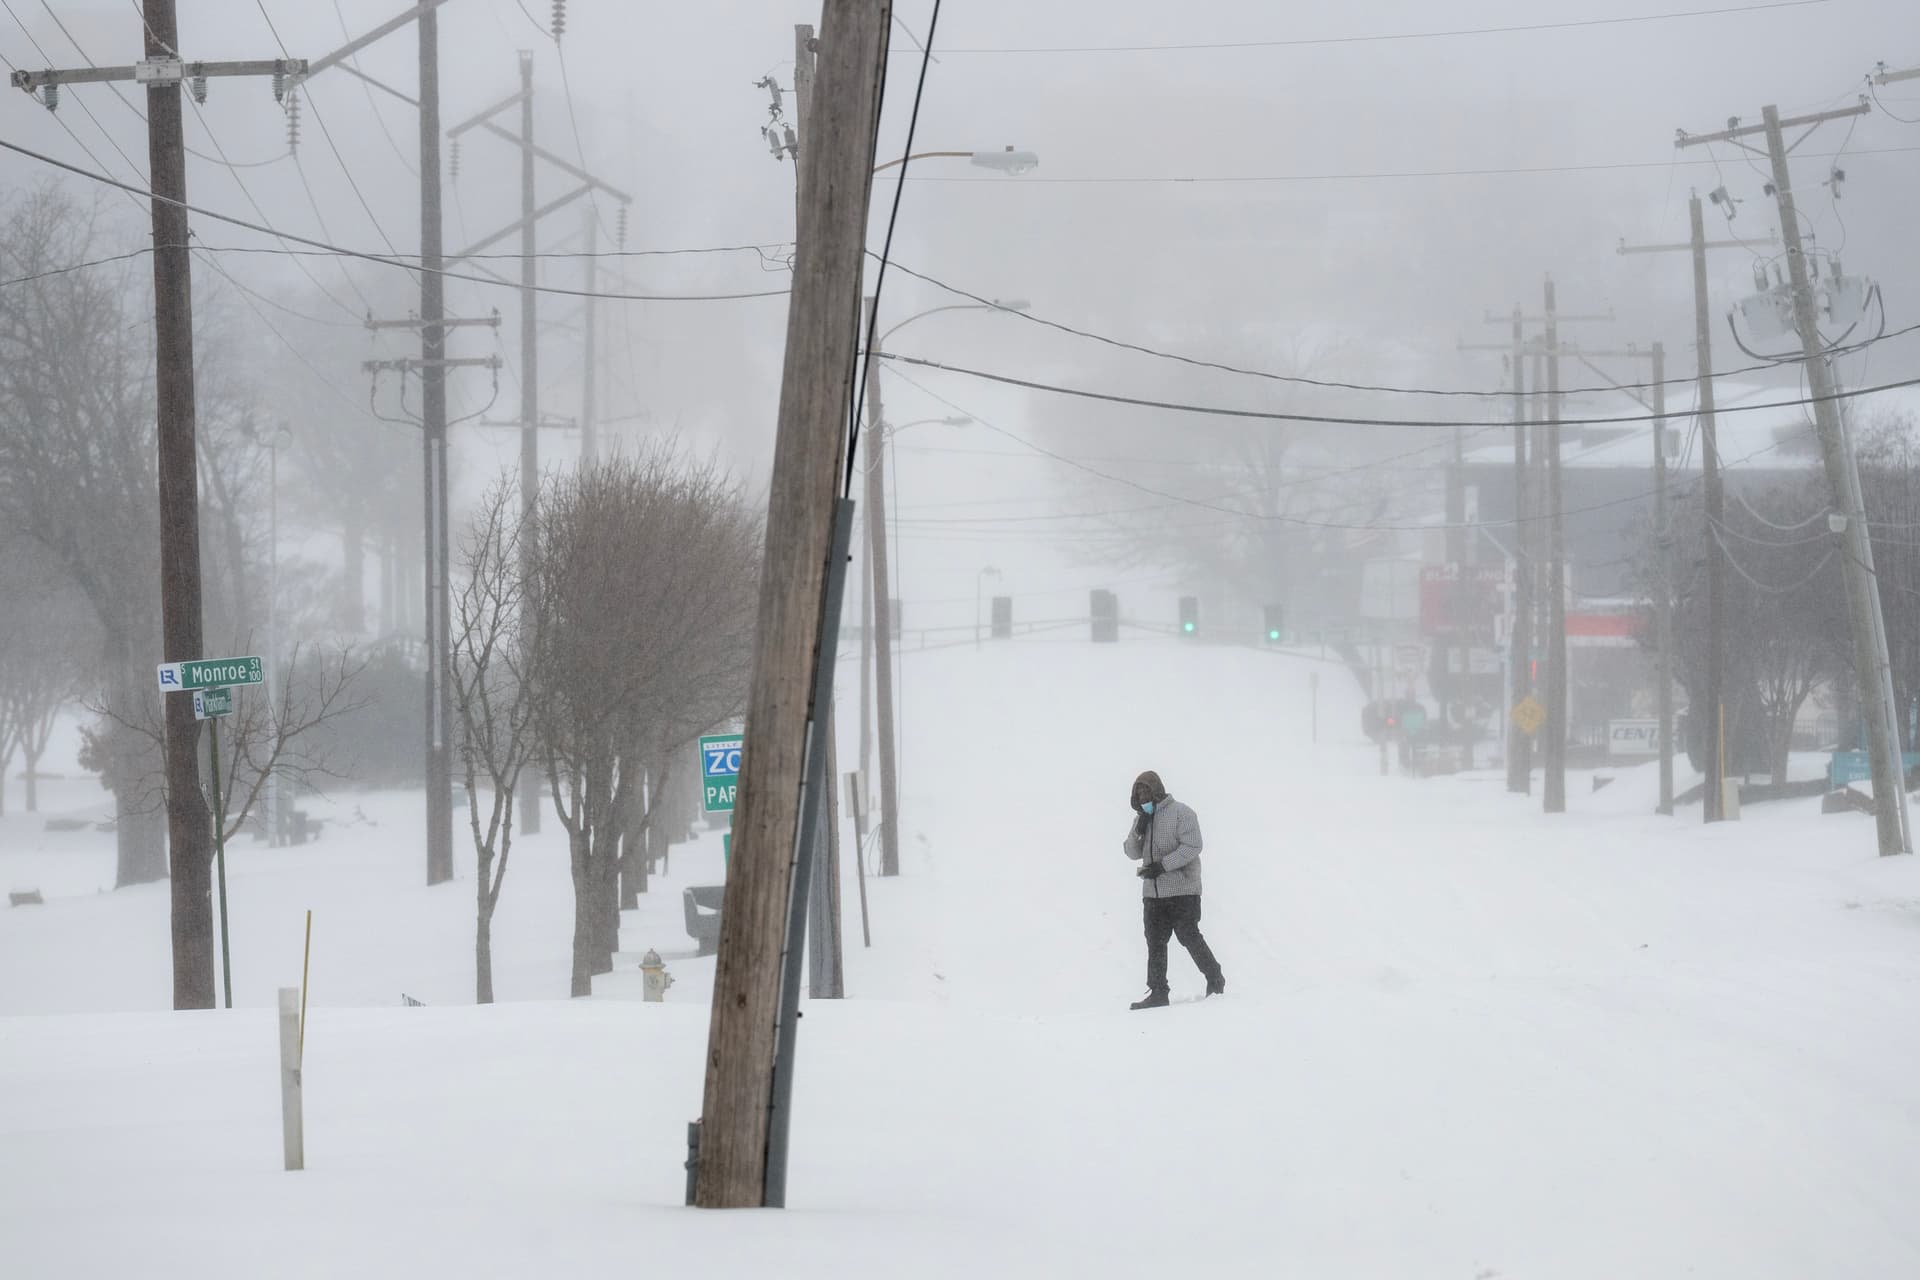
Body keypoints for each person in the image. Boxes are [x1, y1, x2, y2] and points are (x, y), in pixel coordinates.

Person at [1122, 769, 1225, 1010]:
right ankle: (1158, 991)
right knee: (1155, 941)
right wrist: (1138, 830)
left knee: (1187, 934)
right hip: (1153, 893)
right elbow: (1131, 852)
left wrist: (1163, 866)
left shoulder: (1181, 813)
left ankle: (1215, 979)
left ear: (1157, 789)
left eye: (1146, 790)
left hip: (1183, 890)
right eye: (1138, 792)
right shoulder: (1141, 819)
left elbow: (1193, 845)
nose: (1143, 796)